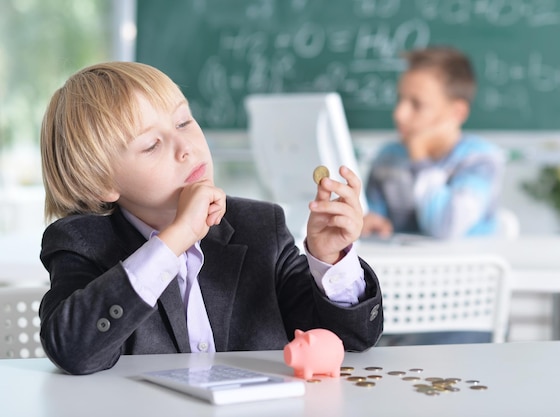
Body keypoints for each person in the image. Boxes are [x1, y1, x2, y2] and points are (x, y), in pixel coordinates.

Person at [38, 62, 383, 375]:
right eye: (151, 145)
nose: (185, 146)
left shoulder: (260, 226)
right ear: (102, 183)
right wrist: (175, 239)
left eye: (184, 122)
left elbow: (347, 342)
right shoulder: (81, 242)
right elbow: (73, 351)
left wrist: (329, 260)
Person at [362, 46, 505, 240]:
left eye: (417, 104)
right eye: (400, 99)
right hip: (404, 266)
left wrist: (420, 156)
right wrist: (369, 223)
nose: (399, 114)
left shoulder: (481, 160)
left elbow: (446, 227)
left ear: (457, 113)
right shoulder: (388, 157)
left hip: (465, 266)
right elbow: (372, 217)